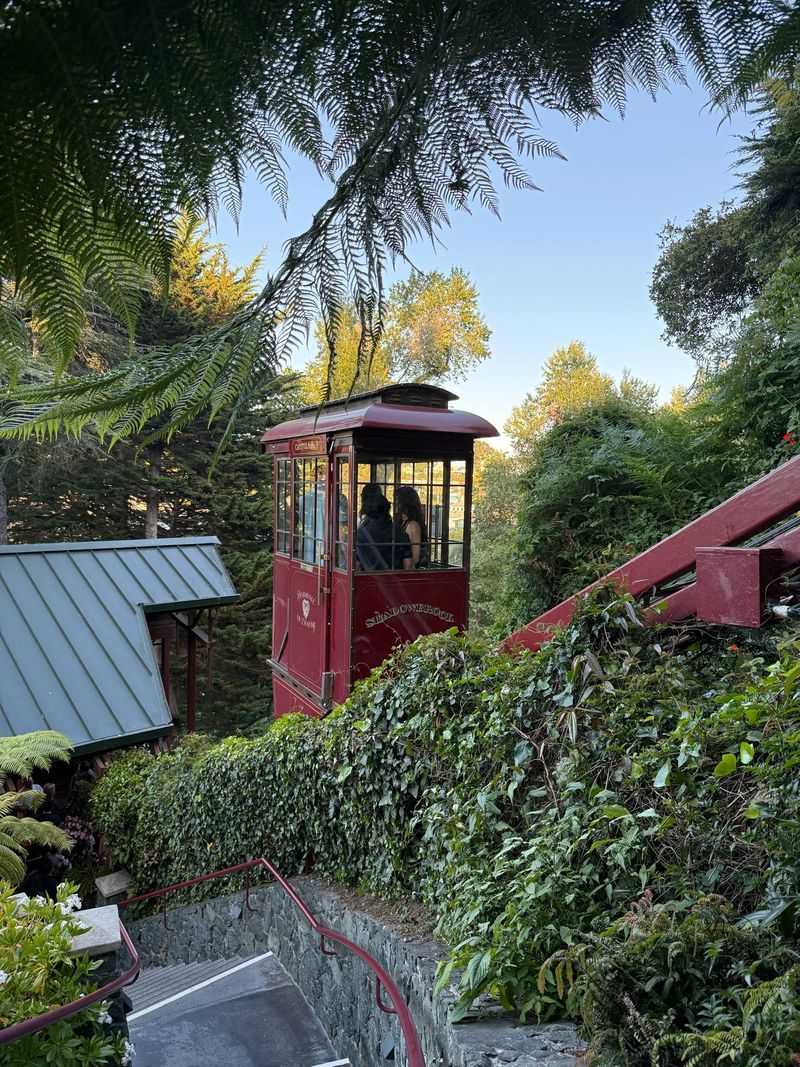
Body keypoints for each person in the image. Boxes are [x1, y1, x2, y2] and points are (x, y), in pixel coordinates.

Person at [356, 483, 410, 570]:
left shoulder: (360, 535)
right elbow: (408, 566)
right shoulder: (400, 533)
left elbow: (356, 566)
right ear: (387, 509)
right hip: (394, 581)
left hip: (368, 581)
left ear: (366, 510)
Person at [395, 485, 429, 569]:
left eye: (397, 500)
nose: (394, 503)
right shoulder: (402, 522)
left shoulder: (413, 525)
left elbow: (415, 559)